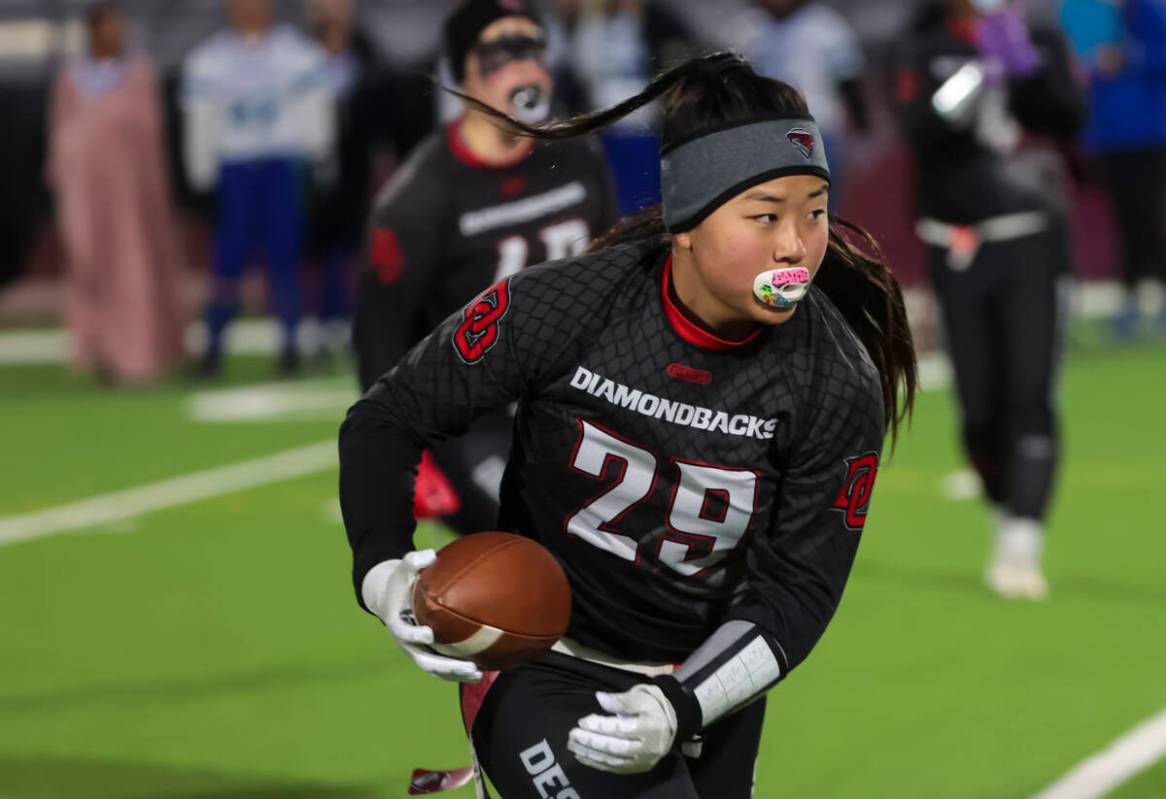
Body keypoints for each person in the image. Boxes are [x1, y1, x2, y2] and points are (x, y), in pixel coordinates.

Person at [340, 52, 916, 798]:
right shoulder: (566, 307)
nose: (795, 246)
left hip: (705, 685)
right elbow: (391, 413)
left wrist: (683, 700)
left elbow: (798, 590)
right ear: (687, 220)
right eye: (766, 214)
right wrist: (382, 571)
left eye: (815, 211)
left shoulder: (833, 378)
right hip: (546, 661)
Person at [352, 0, 619, 536]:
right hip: (475, 415)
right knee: (538, 542)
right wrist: (403, 459)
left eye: (532, 49)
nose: (524, 68)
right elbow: (379, 336)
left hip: (580, 402)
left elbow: (618, 273)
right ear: (463, 73)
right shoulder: (420, 197)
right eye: (501, 53)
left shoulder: (575, 155)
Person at [894, 0, 1085, 599]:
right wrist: (978, 76)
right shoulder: (923, 45)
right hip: (958, 245)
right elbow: (918, 131)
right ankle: (1004, 505)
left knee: (1030, 392)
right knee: (978, 408)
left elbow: (1069, 116)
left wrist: (1023, 68)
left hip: (1031, 239)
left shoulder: (1040, 39)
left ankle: (1023, 539)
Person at [181, 0, 335, 376]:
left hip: (280, 164)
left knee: (284, 260)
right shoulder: (209, 59)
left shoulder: (296, 53)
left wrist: (320, 156)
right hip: (236, 169)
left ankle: (289, 346)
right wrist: (201, 171)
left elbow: (316, 110)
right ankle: (213, 347)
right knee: (227, 263)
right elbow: (200, 120)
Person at [46, 1, 186, 383]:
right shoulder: (71, 80)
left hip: (129, 191)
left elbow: (149, 136)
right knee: (89, 266)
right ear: (93, 30)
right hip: (85, 193)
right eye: (107, 27)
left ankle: (139, 350)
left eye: (118, 27)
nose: (114, 34)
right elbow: (61, 136)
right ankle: (98, 348)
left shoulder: (138, 75)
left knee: (132, 265)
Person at [1060, 0, 1166, 339]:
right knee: (1127, 220)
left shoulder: (1150, 8)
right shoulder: (1085, 9)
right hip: (1109, 136)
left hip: (1149, 133)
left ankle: (1153, 301)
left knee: (1149, 218)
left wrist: (1128, 58)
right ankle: (1132, 301)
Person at [719, 0, 870, 210]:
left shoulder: (826, 27)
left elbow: (848, 82)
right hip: (764, 133)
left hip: (819, 131)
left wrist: (863, 129)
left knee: (819, 205)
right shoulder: (746, 30)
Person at [303, 0, 387, 363]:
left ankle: (349, 322)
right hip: (311, 166)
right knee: (314, 246)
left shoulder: (365, 52)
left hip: (353, 164)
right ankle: (318, 323)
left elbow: (382, 99)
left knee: (351, 246)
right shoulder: (300, 53)